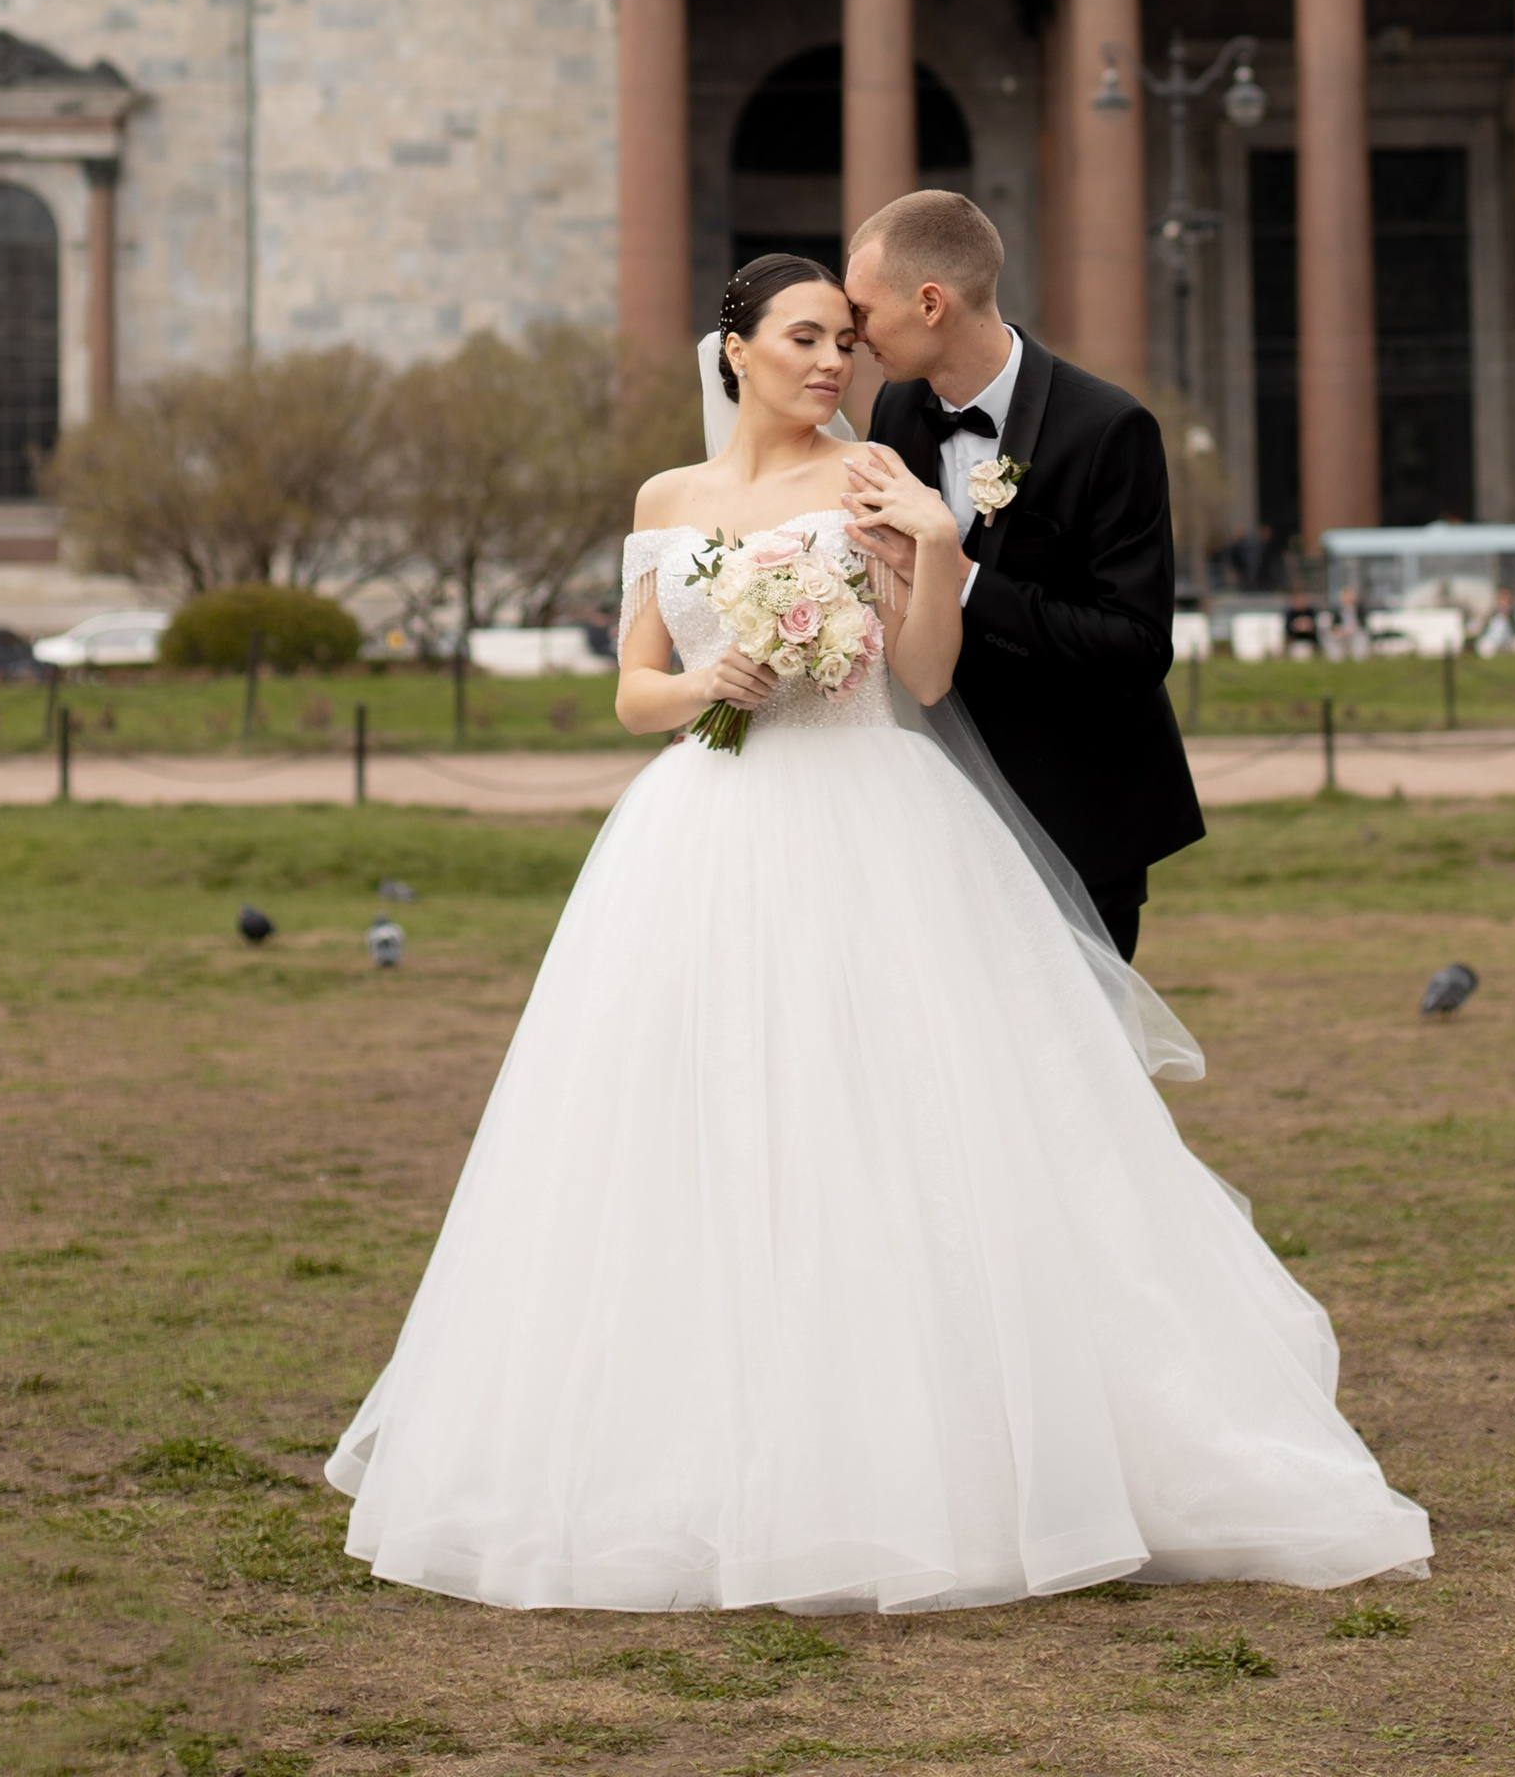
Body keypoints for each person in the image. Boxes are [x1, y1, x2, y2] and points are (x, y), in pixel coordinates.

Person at [327, 250, 1428, 1609]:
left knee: (906, 1128)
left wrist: (940, 553)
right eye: (802, 338)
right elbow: (631, 687)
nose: (830, 363)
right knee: (690, 1133)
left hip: (876, 813)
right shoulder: (667, 501)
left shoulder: (873, 481)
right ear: (733, 351)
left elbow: (922, 673)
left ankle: (952, 1461)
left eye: (844, 341)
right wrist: (713, 682)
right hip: (704, 829)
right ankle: (699, 1457)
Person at [842, 188, 1203, 963]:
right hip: (943, 810)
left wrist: (962, 576)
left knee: (1080, 1068)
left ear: (931, 302)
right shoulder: (896, 414)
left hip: (1079, 813)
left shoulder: (1108, 430)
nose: (853, 333)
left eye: (865, 312)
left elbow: (1136, 646)